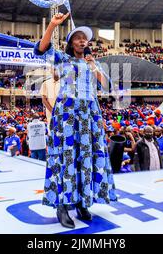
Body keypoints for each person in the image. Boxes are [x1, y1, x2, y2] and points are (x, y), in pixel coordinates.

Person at [34, 12, 117, 229]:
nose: (82, 40)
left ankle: (82, 201)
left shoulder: (92, 63)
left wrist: (93, 66)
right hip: (68, 114)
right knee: (67, 158)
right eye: (78, 37)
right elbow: (42, 48)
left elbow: (107, 87)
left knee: (86, 158)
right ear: (71, 42)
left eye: (85, 38)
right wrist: (53, 25)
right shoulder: (63, 59)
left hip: (90, 114)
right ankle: (62, 205)